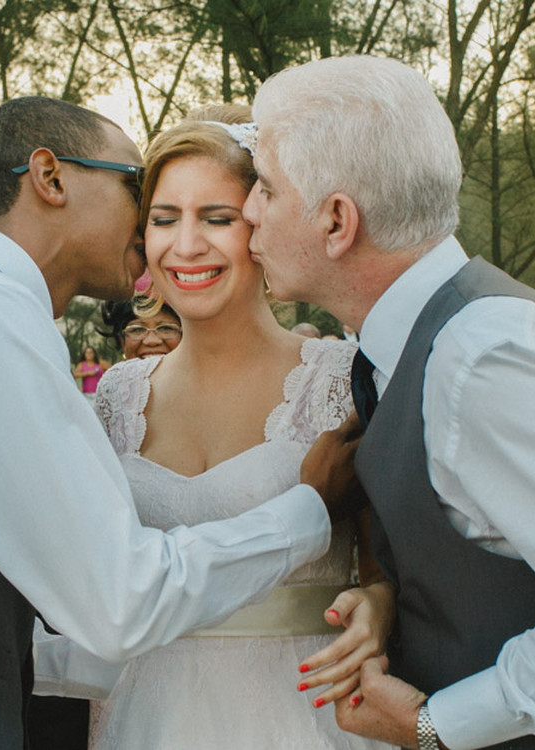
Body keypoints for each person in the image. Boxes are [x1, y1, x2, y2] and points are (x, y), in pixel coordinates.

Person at [0, 96, 364, 750]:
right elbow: (117, 601)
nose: (153, 229)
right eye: (138, 191)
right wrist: (308, 510)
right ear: (51, 178)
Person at [243, 55, 535, 750]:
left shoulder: (483, 357)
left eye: (264, 188)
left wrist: (436, 725)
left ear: (337, 221)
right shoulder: (415, 342)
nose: (249, 210)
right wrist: (391, 601)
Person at [85, 107, 393, 750]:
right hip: (149, 717)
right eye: (164, 219)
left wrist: (384, 605)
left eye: (216, 219)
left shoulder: (342, 381)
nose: (186, 245)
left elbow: (393, 565)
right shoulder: (116, 396)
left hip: (305, 714)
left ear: (260, 226)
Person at [98, 298, 182, 360]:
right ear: (121, 340)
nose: (152, 341)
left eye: (165, 328)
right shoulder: (112, 383)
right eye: (137, 330)